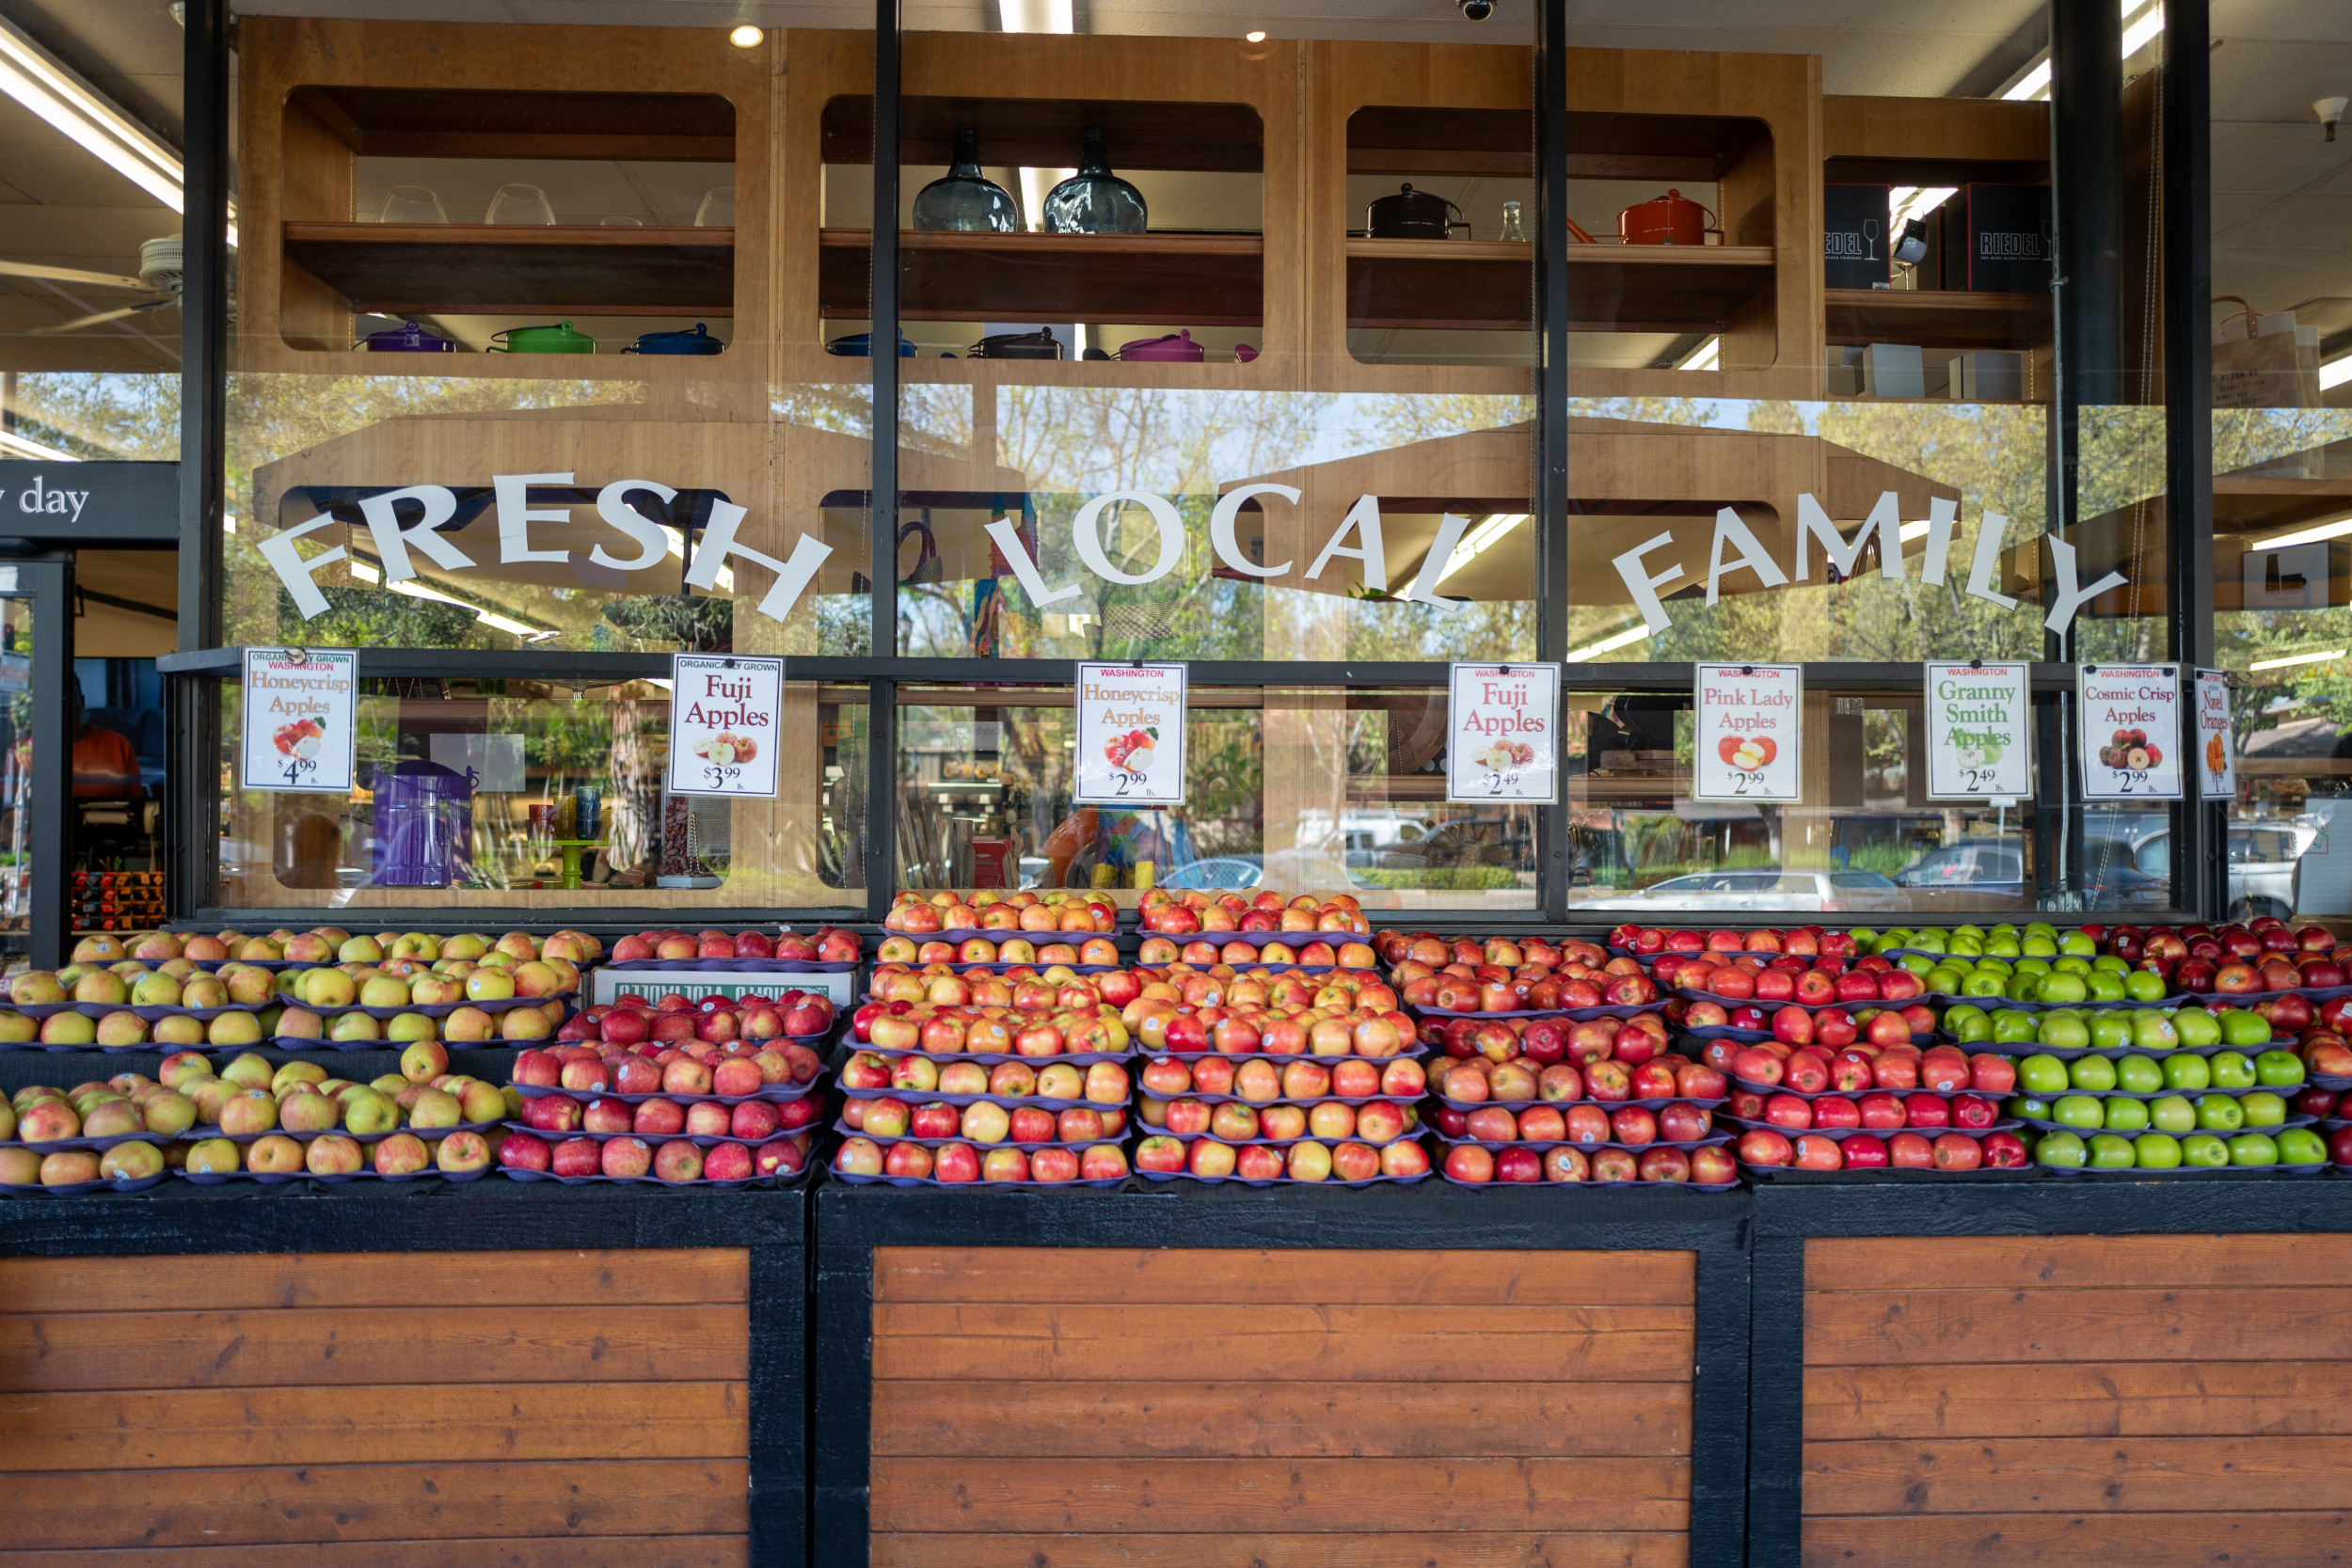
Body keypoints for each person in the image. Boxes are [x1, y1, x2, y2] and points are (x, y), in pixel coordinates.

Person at [70, 683, 143, 800]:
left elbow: (136, 801)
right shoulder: (34, 752)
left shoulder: (118, 743)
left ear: (81, 701)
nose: (64, 707)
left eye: (70, 699)